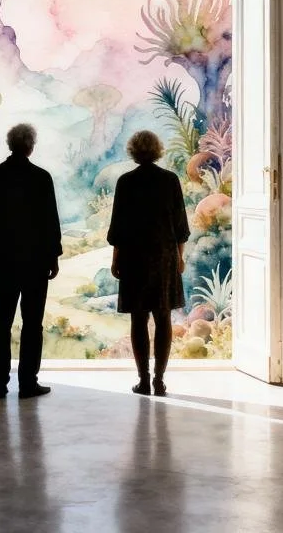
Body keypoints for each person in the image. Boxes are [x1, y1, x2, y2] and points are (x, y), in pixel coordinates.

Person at [0, 123, 61, 400]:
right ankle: (28, 383)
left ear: (10, 145)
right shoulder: (41, 178)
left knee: (1, 321)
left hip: (5, 261)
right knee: (32, 323)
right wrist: (53, 257)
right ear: (31, 146)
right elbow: (50, 223)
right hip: (36, 261)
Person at [107, 130, 190, 397]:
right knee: (163, 316)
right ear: (157, 150)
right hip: (164, 255)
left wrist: (116, 259)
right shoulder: (170, 180)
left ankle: (142, 379)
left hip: (133, 256)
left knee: (138, 318)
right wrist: (180, 256)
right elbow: (180, 225)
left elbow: (118, 226)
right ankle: (159, 380)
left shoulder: (126, 182)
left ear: (133, 151)